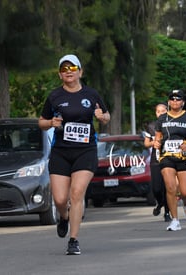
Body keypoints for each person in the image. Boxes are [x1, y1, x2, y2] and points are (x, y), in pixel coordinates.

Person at [38, 54, 110, 255]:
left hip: (85, 151)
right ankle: (63, 217)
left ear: (80, 72)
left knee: (76, 194)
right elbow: (41, 122)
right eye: (64, 70)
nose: (68, 72)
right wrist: (50, 123)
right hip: (61, 151)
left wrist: (101, 116)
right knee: (60, 199)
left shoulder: (92, 94)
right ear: (60, 74)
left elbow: (106, 115)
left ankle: (74, 240)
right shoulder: (54, 96)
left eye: (72, 69)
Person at [153, 89, 186, 231]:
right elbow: (158, 138)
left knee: (185, 192)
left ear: (183, 102)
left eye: (178, 99)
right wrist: (156, 143)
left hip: (184, 157)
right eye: (172, 99)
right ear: (168, 102)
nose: (175, 101)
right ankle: (175, 220)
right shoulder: (162, 119)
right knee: (171, 187)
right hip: (166, 156)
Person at [143, 103, 171, 222]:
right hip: (156, 158)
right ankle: (160, 203)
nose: (160, 113)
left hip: (169, 158)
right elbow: (146, 143)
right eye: (158, 111)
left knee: (168, 188)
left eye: (163, 111)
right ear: (156, 113)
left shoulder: (172, 125)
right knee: (157, 188)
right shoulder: (151, 126)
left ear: (167, 112)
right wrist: (153, 143)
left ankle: (167, 213)